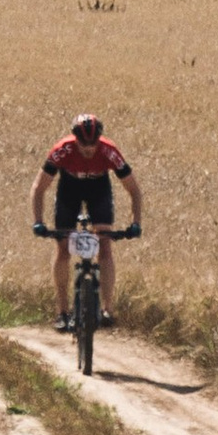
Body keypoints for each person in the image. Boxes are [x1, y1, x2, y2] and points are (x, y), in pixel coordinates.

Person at [31, 111, 143, 329]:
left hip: (98, 190)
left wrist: (135, 223)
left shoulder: (109, 151)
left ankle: (107, 309)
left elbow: (134, 190)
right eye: (84, 145)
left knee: (105, 244)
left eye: (93, 145)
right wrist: (38, 221)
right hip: (68, 189)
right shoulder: (62, 150)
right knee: (62, 247)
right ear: (76, 140)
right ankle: (62, 311)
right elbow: (39, 188)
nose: (89, 149)